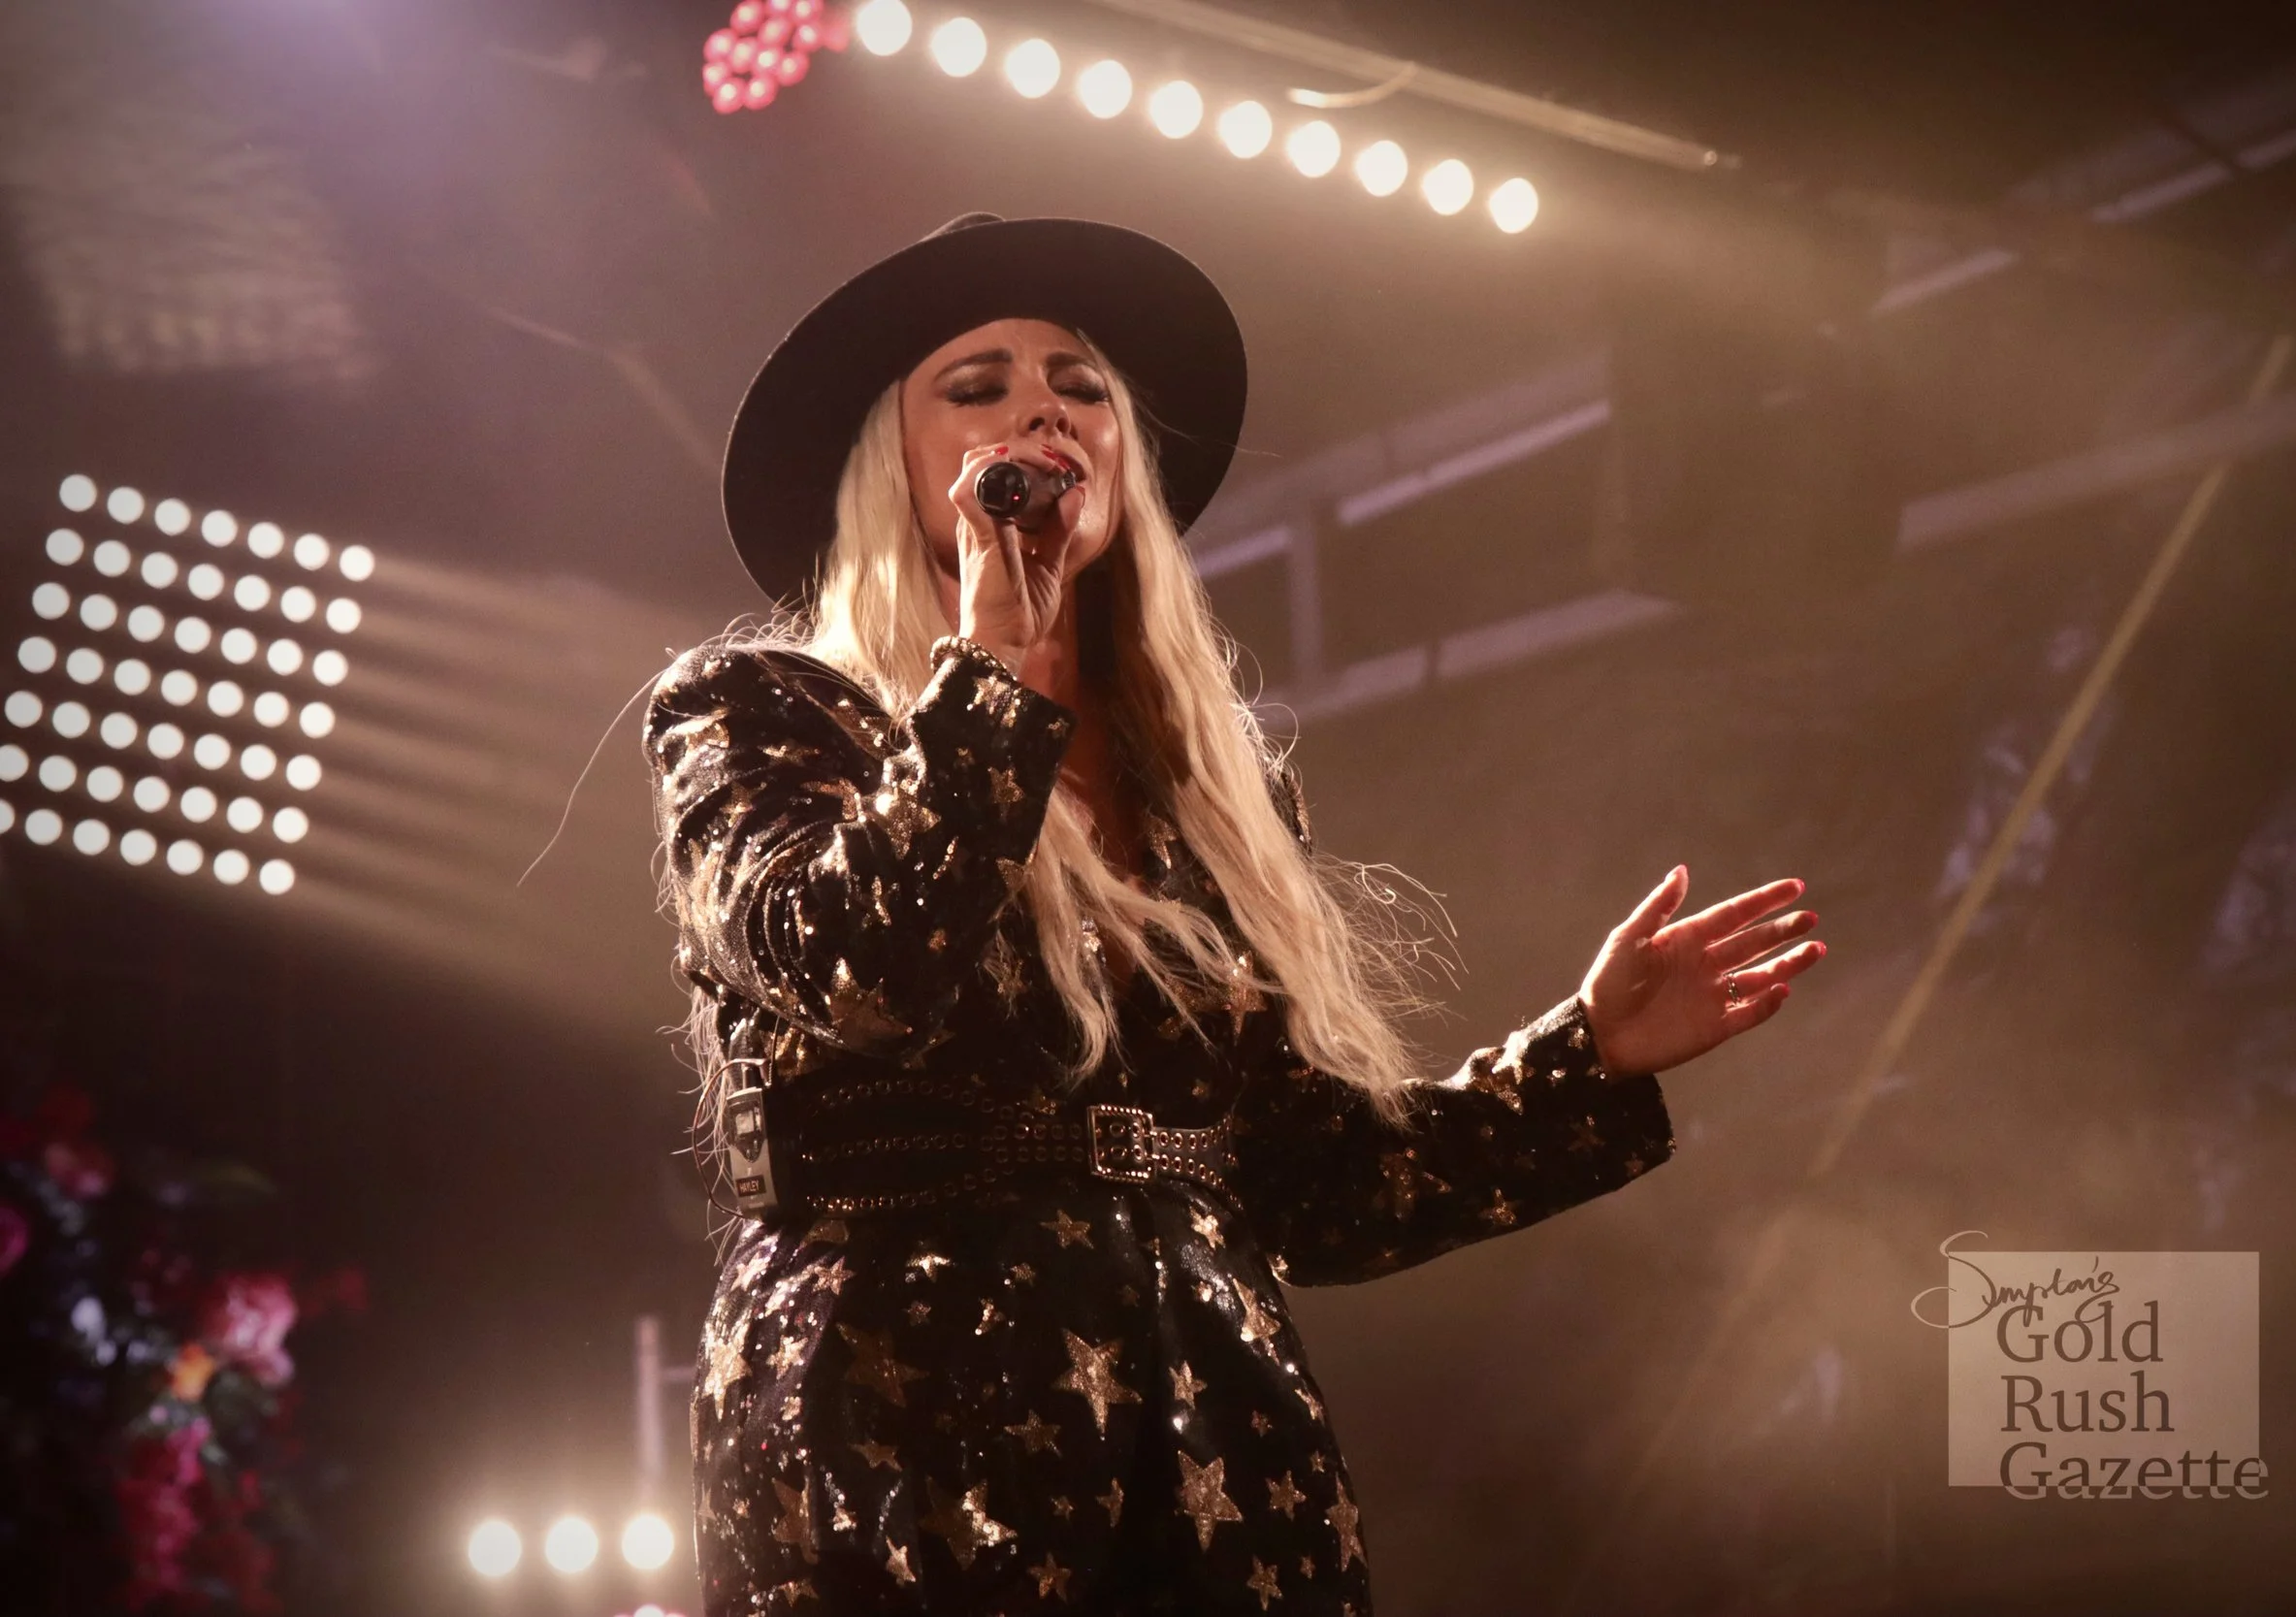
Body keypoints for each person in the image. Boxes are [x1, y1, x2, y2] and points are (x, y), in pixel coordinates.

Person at [647, 213, 1825, 1615]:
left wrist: (1583, 1056)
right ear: (882, 469)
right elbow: (859, 969)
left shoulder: (1213, 784)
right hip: (909, 1444)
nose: (1044, 404)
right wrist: (989, 671)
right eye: (978, 383)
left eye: (1080, 383)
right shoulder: (757, 714)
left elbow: (1314, 1187)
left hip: (1217, 1454)